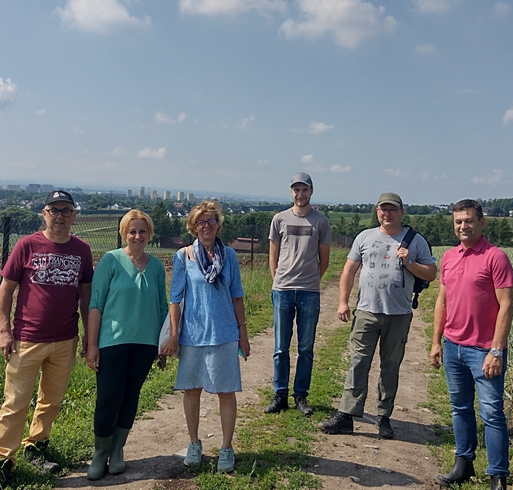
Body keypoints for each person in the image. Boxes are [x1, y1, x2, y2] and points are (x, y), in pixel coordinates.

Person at [319, 193, 436, 438]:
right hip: (366, 311)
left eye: (392, 209)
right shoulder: (364, 237)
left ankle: (384, 417)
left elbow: (431, 273)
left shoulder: (414, 240)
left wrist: (410, 263)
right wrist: (343, 302)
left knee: (390, 366)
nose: (387, 214)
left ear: (402, 212)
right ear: (377, 212)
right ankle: (346, 415)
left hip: (399, 314)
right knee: (358, 363)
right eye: (383, 209)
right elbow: (349, 271)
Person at [0, 190, 93, 488]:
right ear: (44, 213)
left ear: (74, 216)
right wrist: (4, 330)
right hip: (26, 338)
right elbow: (6, 289)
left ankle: (35, 446)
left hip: (65, 339)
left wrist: (88, 336)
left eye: (66, 211)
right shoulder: (27, 245)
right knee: (15, 402)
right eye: (54, 210)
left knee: (51, 400)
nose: (60, 216)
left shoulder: (82, 250)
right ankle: (4, 460)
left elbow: (86, 295)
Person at [430, 199, 513, 490]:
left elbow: (506, 306)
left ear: (481, 222)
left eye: (468, 220)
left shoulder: (496, 257)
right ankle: (463, 463)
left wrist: (496, 350)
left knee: (492, 413)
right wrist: (436, 342)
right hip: (453, 346)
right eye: (458, 222)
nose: (463, 226)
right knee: (460, 408)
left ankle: (498, 476)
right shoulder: (450, 257)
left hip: (484, 350)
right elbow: (442, 300)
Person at [161, 200, 250, 473]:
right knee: (192, 390)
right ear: (193, 226)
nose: (207, 226)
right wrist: (174, 334)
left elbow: (236, 295)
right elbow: (175, 299)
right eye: (201, 221)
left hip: (224, 334)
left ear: (218, 224)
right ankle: (194, 443)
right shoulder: (183, 256)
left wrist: (242, 333)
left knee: (226, 391)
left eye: (211, 221)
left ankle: (226, 447)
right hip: (192, 334)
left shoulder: (230, 256)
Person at [85, 210, 168, 480]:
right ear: (123, 233)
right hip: (112, 342)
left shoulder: (156, 266)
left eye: (142, 231)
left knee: (131, 397)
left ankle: (118, 450)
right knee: (109, 399)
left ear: (150, 234)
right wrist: (93, 344)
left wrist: (162, 344)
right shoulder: (110, 261)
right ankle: (100, 454)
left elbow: (161, 306)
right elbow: (95, 305)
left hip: (145, 344)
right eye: (132, 231)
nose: (137, 235)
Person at [265, 172, 332, 416]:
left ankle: (301, 395)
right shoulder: (279, 219)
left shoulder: (321, 222)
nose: (300, 194)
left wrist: (312, 280)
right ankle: (280, 394)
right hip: (283, 289)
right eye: (296, 190)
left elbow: (324, 260)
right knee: (281, 347)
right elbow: (273, 255)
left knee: (306, 347)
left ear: (311, 192)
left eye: (304, 190)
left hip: (309, 292)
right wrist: (278, 279)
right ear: (291, 192)